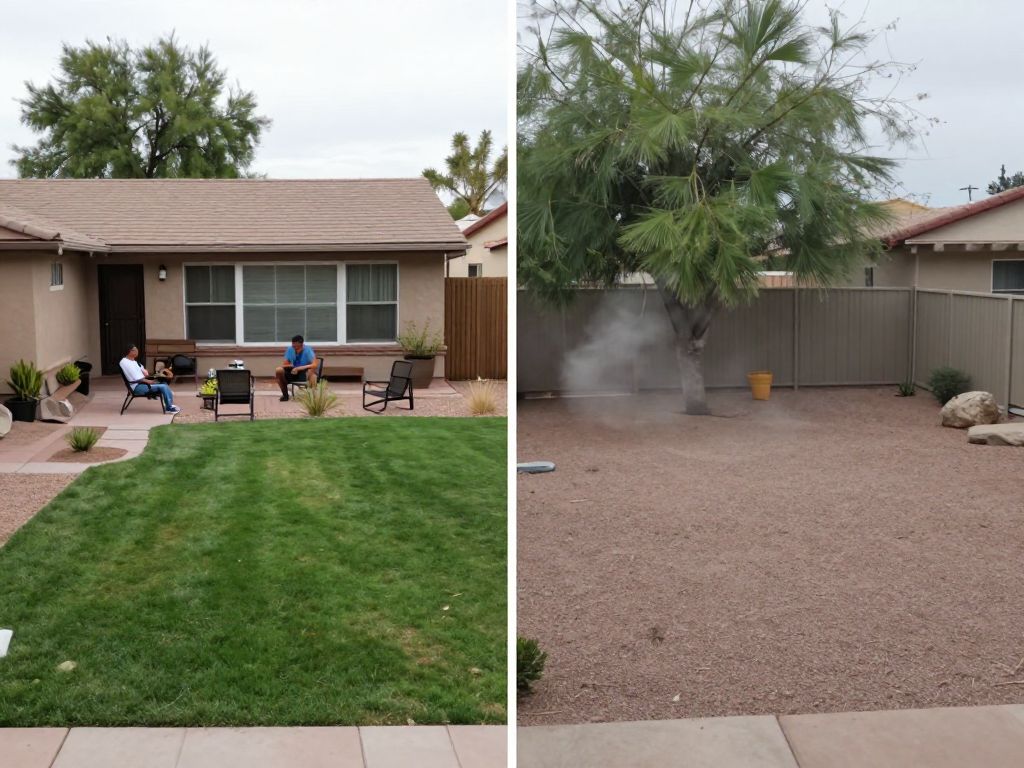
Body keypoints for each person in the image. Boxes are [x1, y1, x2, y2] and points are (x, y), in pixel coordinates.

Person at [120, 345, 180, 414]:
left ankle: (168, 403)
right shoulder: (124, 362)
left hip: (142, 384)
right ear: (130, 351)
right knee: (163, 386)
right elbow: (135, 378)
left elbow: (144, 373)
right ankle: (169, 408)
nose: (137, 352)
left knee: (164, 383)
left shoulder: (134, 362)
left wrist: (152, 375)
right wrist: (148, 381)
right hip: (137, 387)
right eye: (135, 350)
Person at [275, 334, 318, 401]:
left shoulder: (308, 350)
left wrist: (300, 368)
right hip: (292, 371)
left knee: (313, 376)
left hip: (304, 371)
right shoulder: (290, 349)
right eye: (293, 344)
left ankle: (313, 398)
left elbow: (315, 364)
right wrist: (292, 366)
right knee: (278, 370)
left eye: (296, 345)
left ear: (301, 344)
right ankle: (285, 395)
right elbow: (285, 364)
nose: (293, 346)